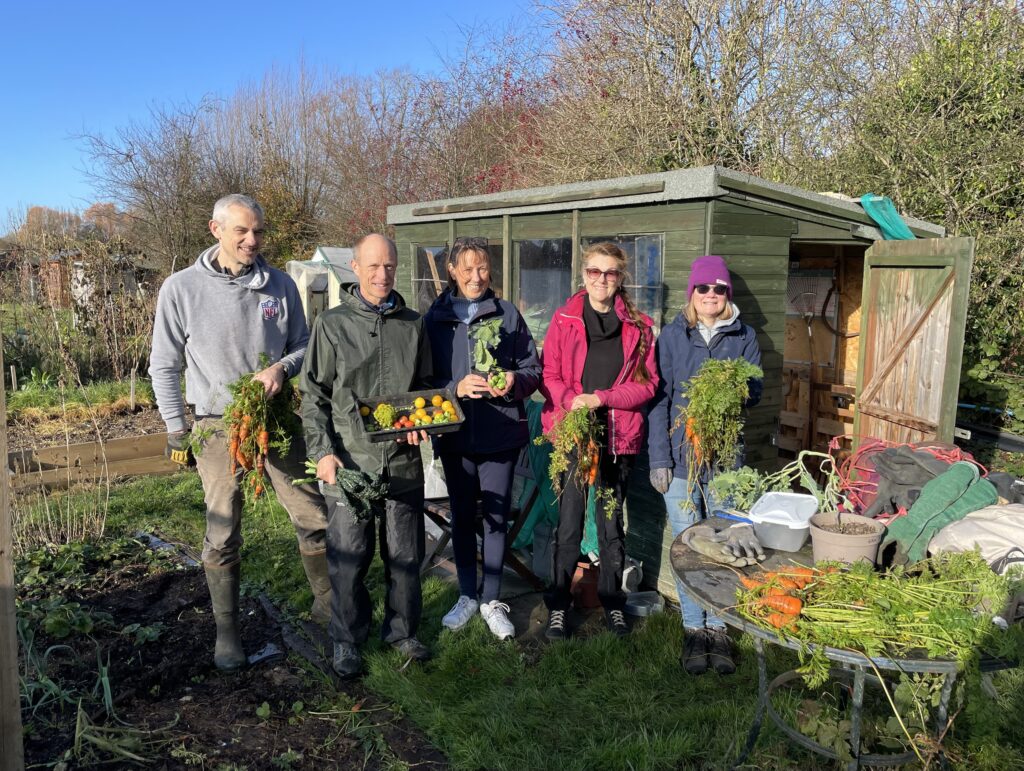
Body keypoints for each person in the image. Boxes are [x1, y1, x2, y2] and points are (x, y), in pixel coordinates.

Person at [149, 193, 331, 672]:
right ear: (216, 230)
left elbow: (304, 346)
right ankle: (228, 634)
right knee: (223, 527)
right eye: (242, 232)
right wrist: (175, 429)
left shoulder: (280, 286)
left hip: (275, 417)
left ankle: (327, 607)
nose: (253, 240)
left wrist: (280, 371)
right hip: (216, 425)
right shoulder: (181, 289)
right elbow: (164, 365)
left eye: (258, 232)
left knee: (311, 511)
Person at [299, 233, 433, 678]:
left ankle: (402, 630)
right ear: (354, 268)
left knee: (406, 556)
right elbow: (313, 394)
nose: (382, 275)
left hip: (401, 463)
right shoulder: (333, 326)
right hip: (349, 464)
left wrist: (422, 427)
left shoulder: (413, 324)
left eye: (390, 266)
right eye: (373, 266)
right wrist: (322, 452)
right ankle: (346, 640)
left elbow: (425, 391)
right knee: (348, 560)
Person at [647, 254, 763, 675]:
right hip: (679, 460)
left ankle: (720, 627)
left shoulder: (744, 335)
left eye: (718, 289)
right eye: (703, 288)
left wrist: (736, 385)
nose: (711, 295)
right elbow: (658, 400)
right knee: (687, 545)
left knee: (726, 543)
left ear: (726, 294)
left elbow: (755, 392)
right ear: (692, 294)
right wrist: (658, 457)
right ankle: (694, 629)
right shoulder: (673, 336)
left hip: (725, 460)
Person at [423, 237, 541, 639]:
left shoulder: (507, 314)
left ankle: (492, 599)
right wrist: (454, 388)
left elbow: (533, 370)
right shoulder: (435, 318)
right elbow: (422, 382)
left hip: (500, 434)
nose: (477, 276)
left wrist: (513, 381)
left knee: (494, 520)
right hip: (454, 436)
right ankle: (467, 595)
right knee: (460, 516)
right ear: (452, 270)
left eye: (484, 268)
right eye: (468, 269)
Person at [538, 242, 658, 639]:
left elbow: (648, 385)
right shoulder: (564, 319)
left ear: (621, 278)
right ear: (584, 274)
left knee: (610, 524)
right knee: (569, 522)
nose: (601, 280)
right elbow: (550, 375)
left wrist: (602, 398)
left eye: (610, 273)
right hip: (574, 433)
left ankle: (613, 602)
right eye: (594, 271)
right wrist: (571, 401)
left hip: (617, 436)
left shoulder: (640, 327)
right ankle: (558, 603)